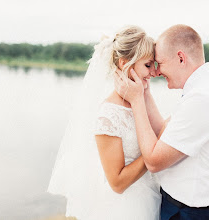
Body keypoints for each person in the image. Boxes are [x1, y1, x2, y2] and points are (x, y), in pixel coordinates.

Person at [114, 24, 209, 220]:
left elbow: (154, 162)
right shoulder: (208, 87)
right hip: (192, 209)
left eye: (159, 63)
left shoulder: (203, 99)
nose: (155, 72)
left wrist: (136, 101)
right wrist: (145, 93)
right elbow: (165, 134)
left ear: (181, 58)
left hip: (190, 213)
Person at [48, 25, 161, 220]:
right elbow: (116, 182)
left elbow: (160, 129)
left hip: (150, 197)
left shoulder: (140, 100)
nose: (154, 72)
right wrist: (155, 152)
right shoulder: (108, 116)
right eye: (148, 65)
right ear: (125, 64)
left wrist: (145, 96)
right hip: (126, 208)